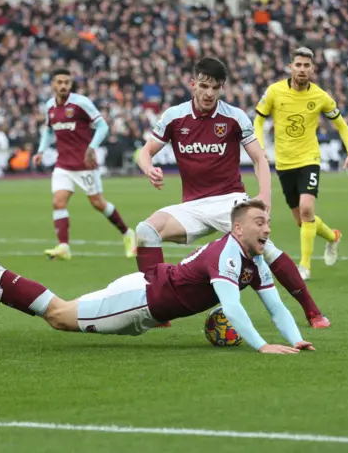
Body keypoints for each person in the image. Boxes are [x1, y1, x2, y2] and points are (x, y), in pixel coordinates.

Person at [0, 200, 315, 354]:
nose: (267, 228)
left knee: (63, 313)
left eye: (267, 222)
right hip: (140, 300)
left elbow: (276, 306)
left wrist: (296, 339)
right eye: (259, 222)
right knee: (60, 316)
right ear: (238, 228)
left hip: (147, 306)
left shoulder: (253, 261)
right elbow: (233, 308)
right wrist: (262, 345)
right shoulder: (226, 255)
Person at [134, 56, 330, 328]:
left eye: (215, 88)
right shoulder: (174, 116)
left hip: (231, 201)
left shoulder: (234, 117)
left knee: (266, 250)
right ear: (193, 84)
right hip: (192, 206)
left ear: (222, 88)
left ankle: (313, 312)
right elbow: (145, 152)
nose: (209, 93)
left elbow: (260, 159)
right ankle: (156, 309)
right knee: (146, 231)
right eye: (203, 86)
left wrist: (264, 197)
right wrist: (148, 168)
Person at [253, 47, 348, 281]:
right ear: (290, 67)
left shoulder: (320, 96)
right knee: (303, 220)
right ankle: (333, 237)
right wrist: (259, 147)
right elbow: (258, 120)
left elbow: (341, 124)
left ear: (312, 69)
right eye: (298, 65)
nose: (302, 69)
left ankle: (305, 266)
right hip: (284, 163)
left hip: (309, 159)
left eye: (306, 65)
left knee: (307, 209)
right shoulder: (274, 92)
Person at [32, 68, 136, 261]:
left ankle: (127, 233)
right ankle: (64, 247)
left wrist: (92, 147)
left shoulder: (81, 103)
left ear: (71, 84)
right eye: (59, 82)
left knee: (98, 203)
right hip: (63, 164)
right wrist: (40, 150)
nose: (63, 85)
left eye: (67, 82)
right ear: (53, 84)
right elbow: (48, 130)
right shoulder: (49, 106)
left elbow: (103, 126)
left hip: (84, 164)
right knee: (58, 202)